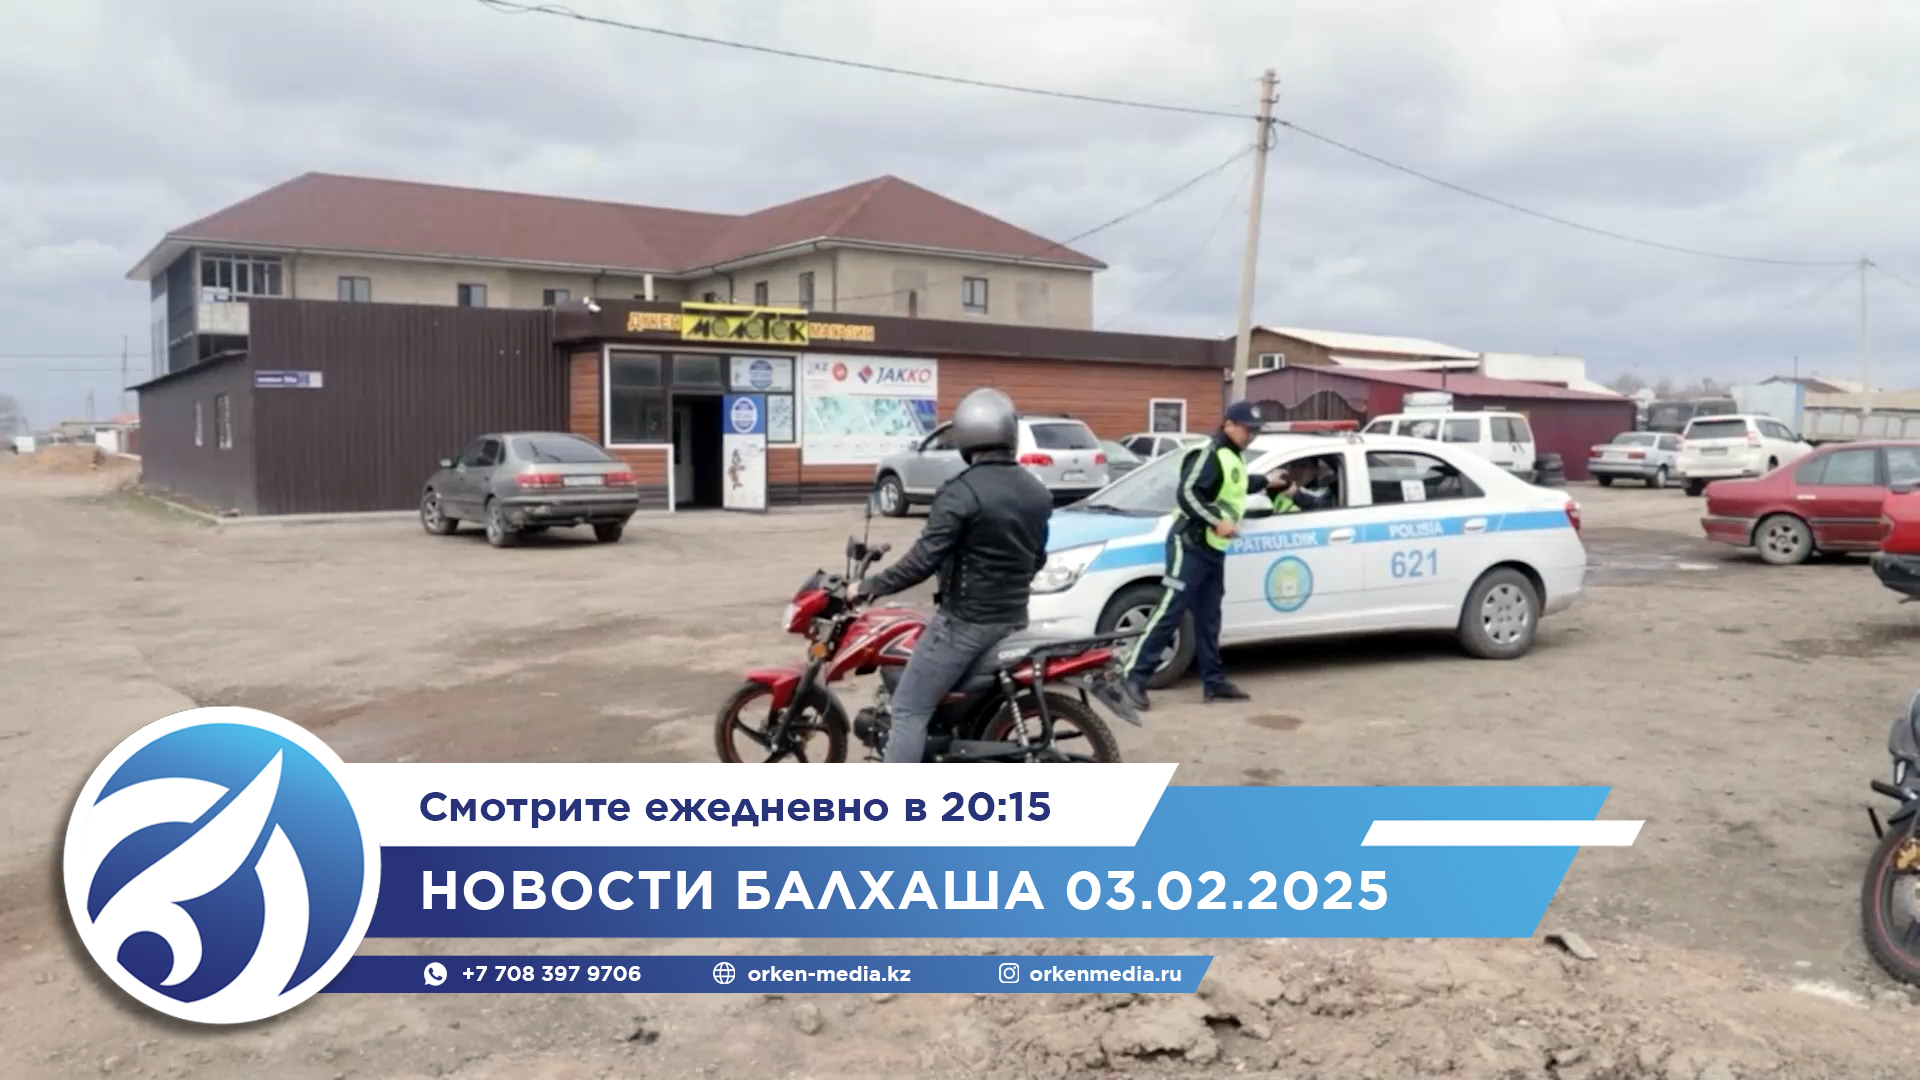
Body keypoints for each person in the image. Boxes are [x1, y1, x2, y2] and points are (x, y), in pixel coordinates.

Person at [848, 388, 1053, 762]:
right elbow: (1037, 558)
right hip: (1013, 618)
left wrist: (868, 586)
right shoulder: (1037, 492)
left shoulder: (959, 492)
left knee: (908, 709)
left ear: (966, 435)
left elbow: (922, 561)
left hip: (965, 625)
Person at [1119, 400, 1284, 709]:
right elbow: (1188, 493)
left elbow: (1235, 485)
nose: (1251, 436)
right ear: (1229, 425)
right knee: (1171, 610)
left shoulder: (1232, 456)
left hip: (1213, 548)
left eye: (1256, 431)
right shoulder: (1208, 453)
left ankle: (1213, 681)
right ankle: (1133, 677)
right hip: (1190, 544)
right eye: (1247, 430)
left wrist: (1266, 481)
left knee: (1209, 617)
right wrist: (1215, 520)